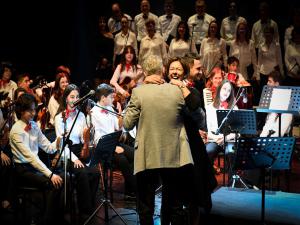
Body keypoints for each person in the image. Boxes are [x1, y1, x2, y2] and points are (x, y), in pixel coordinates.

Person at [123, 56, 193, 225]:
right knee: (175, 203)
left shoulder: (139, 92)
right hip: (173, 154)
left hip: (148, 154)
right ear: (162, 70)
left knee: (146, 204)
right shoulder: (177, 91)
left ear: (145, 72)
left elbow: (127, 124)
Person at [9, 93, 63, 224]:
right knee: (53, 182)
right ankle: (46, 220)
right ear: (21, 111)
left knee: (63, 177)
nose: (34, 113)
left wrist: (58, 141)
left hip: (34, 167)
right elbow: (31, 157)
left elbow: (48, 148)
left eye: (34, 109)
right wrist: (50, 174)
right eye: (30, 110)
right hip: (23, 170)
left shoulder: (33, 125)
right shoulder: (16, 131)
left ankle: (54, 217)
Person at [54, 84, 100, 219]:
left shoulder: (80, 115)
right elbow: (61, 144)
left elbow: (83, 138)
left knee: (95, 172)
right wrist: (75, 159)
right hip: (66, 152)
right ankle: (85, 211)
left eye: (77, 97)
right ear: (66, 99)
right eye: (72, 96)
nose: (75, 99)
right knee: (83, 173)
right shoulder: (59, 117)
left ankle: (88, 204)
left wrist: (88, 130)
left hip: (80, 149)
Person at [90, 83, 136, 198]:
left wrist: (120, 116)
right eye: (111, 97)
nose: (113, 99)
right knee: (122, 159)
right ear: (103, 98)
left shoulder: (110, 108)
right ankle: (136, 189)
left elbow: (118, 127)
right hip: (104, 147)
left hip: (114, 142)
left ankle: (130, 190)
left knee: (136, 154)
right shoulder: (94, 113)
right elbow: (97, 139)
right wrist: (113, 148)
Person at [205, 79, 237, 161]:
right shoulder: (210, 107)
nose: (226, 92)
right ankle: (209, 173)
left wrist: (225, 138)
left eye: (229, 90)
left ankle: (231, 174)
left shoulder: (234, 107)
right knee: (208, 151)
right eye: (224, 89)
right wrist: (218, 139)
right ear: (219, 89)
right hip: (215, 139)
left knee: (231, 152)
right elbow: (209, 132)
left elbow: (238, 132)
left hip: (229, 139)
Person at [260, 71, 293, 137]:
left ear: (277, 84)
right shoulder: (268, 94)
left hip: (283, 120)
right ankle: (262, 139)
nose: (267, 83)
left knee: (287, 114)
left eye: (270, 81)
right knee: (272, 115)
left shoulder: (286, 95)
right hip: (271, 120)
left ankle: (273, 140)